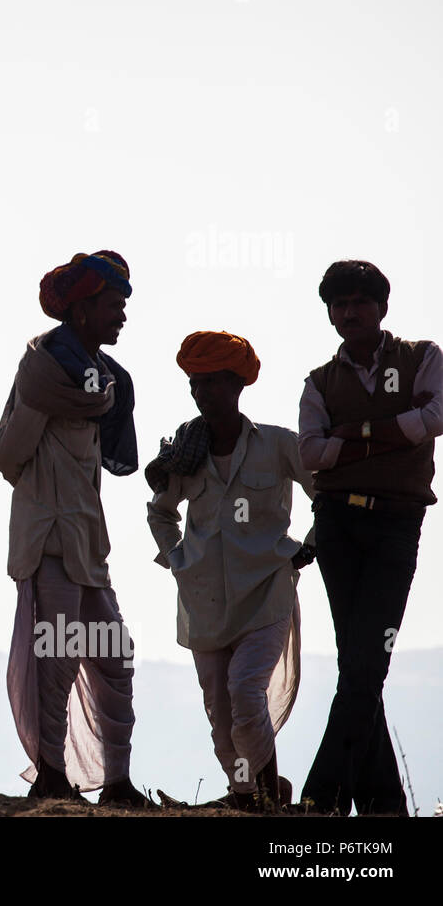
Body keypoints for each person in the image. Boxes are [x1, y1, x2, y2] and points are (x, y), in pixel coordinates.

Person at [0, 250, 151, 807]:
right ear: (81, 309)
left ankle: (117, 784)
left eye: (124, 304)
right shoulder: (42, 372)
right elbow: (8, 454)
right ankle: (53, 779)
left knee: (114, 657)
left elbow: (118, 462)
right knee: (54, 662)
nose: (122, 315)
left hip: (86, 544)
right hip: (49, 541)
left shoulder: (108, 379)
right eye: (113, 304)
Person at [145, 331, 314, 811]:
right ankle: (247, 795)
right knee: (220, 714)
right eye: (195, 384)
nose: (201, 393)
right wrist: (175, 557)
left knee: (245, 692)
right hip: (203, 600)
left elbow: (326, 492)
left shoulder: (279, 445)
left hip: (266, 594)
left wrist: (309, 548)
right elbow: (160, 513)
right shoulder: (186, 450)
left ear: (238, 385)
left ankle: (266, 798)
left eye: (212, 382)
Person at [298, 260, 442, 816]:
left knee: (364, 662)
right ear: (331, 314)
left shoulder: (421, 357)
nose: (350, 312)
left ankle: (320, 797)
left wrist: (355, 435)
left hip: (395, 525)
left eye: (360, 301)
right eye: (340, 304)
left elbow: (436, 414)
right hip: (338, 525)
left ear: (382, 307)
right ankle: (383, 804)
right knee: (360, 664)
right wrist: (392, 434)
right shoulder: (319, 380)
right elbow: (312, 453)